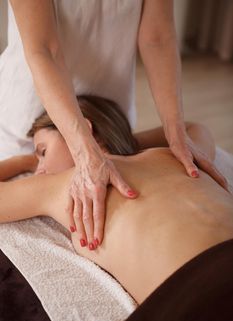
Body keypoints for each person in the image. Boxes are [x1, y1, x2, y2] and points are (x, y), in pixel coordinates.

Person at [9, 0, 228, 250]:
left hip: (107, 111)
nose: (39, 168)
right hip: (38, 99)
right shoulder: (157, 161)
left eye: (42, 155)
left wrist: (174, 134)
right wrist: (83, 152)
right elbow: (44, 49)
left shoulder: (56, 187)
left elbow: (157, 37)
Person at [0, 94, 232, 301]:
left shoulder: (66, 184)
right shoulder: (179, 157)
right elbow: (194, 128)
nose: (38, 169)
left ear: (82, 130)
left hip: (198, 290)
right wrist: (124, 144)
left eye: (42, 152)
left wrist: (25, 161)